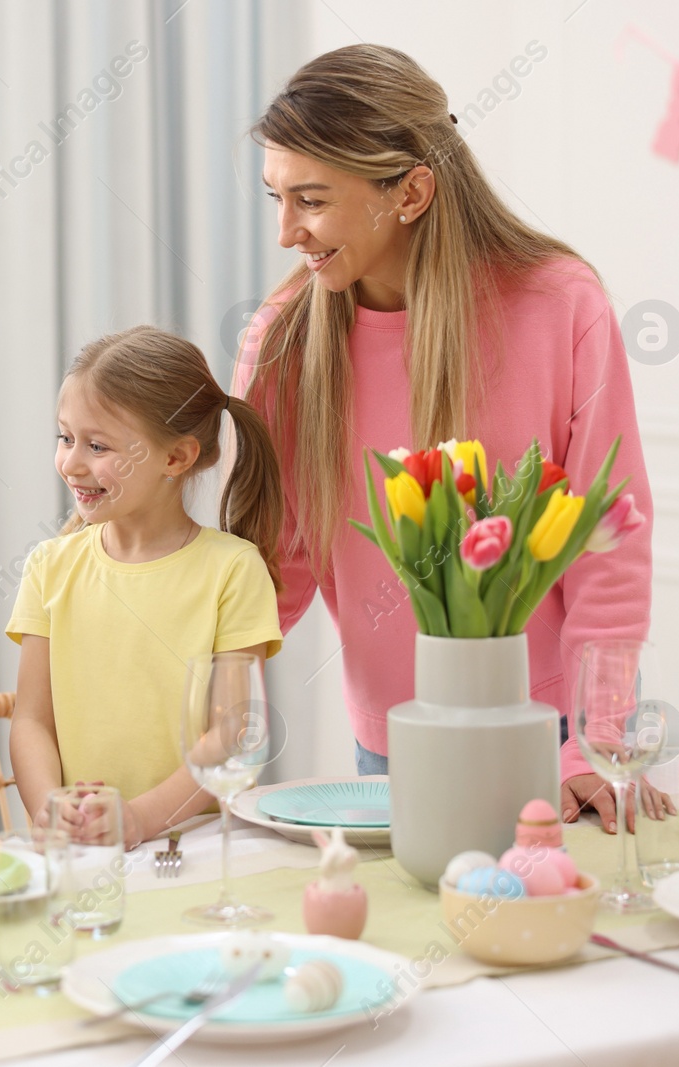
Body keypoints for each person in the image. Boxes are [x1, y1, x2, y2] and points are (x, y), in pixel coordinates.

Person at [233, 45, 653, 831]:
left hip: (552, 736)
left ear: (413, 191)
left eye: (312, 200)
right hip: (392, 745)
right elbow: (274, 559)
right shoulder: (283, 340)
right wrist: (190, 706)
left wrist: (596, 745)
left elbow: (609, 539)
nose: (288, 231)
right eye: (276, 199)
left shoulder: (560, 305)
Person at [7, 326, 285, 849]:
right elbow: (31, 722)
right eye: (65, 438)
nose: (71, 463)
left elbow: (228, 737)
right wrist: (49, 806)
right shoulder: (49, 566)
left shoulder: (233, 571)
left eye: (98, 446)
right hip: (82, 853)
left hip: (196, 850)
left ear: (175, 458)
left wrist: (138, 819)